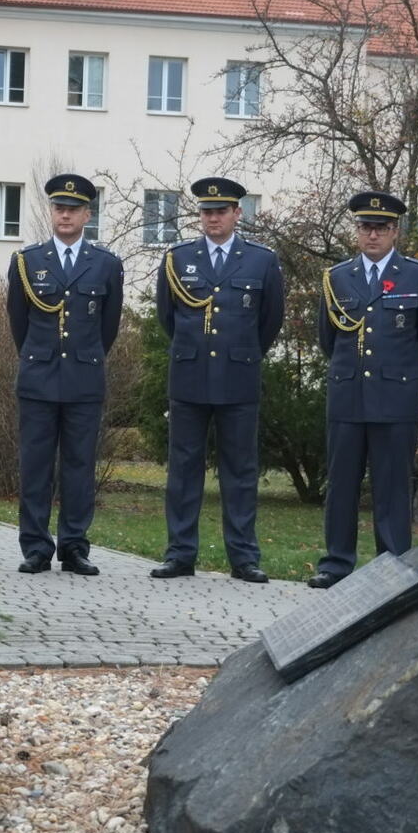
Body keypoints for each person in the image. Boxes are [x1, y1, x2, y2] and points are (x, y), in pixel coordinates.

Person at [308, 191, 418, 589]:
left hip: (395, 396)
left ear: (395, 231)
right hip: (348, 394)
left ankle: (393, 563)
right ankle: (336, 563)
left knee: (392, 484)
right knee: (342, 482)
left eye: (380, 228)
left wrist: (397, 372)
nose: (372, 235)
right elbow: (327, 340)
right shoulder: (337, 278)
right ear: (357, 231)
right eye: (365, 227)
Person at [151, 177, 283, 582]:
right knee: (183, 469)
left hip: (238, 377)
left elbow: (269, 321)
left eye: (221, 211)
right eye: (207, 212)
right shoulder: (178, 258)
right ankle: (180, 553)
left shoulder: (261, 260)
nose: (213, 218)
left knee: (240, 470)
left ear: (236, 214)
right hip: (190, 377)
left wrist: (241, 352)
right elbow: (167, 317)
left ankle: (244, 557)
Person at [6, 173, 124, 575]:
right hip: (38, 379)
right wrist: (39, 358)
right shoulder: (27, 262)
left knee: (79, 466)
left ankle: (74, 545)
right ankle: (36, 546)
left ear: (87, 214)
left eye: (73, 209)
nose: (66, 215)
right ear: (51, 211)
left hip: (83, 379)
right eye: (59, 208)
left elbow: (108, 327)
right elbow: (18, 323)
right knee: (35, 466)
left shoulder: (106, 264)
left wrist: (83, 357)